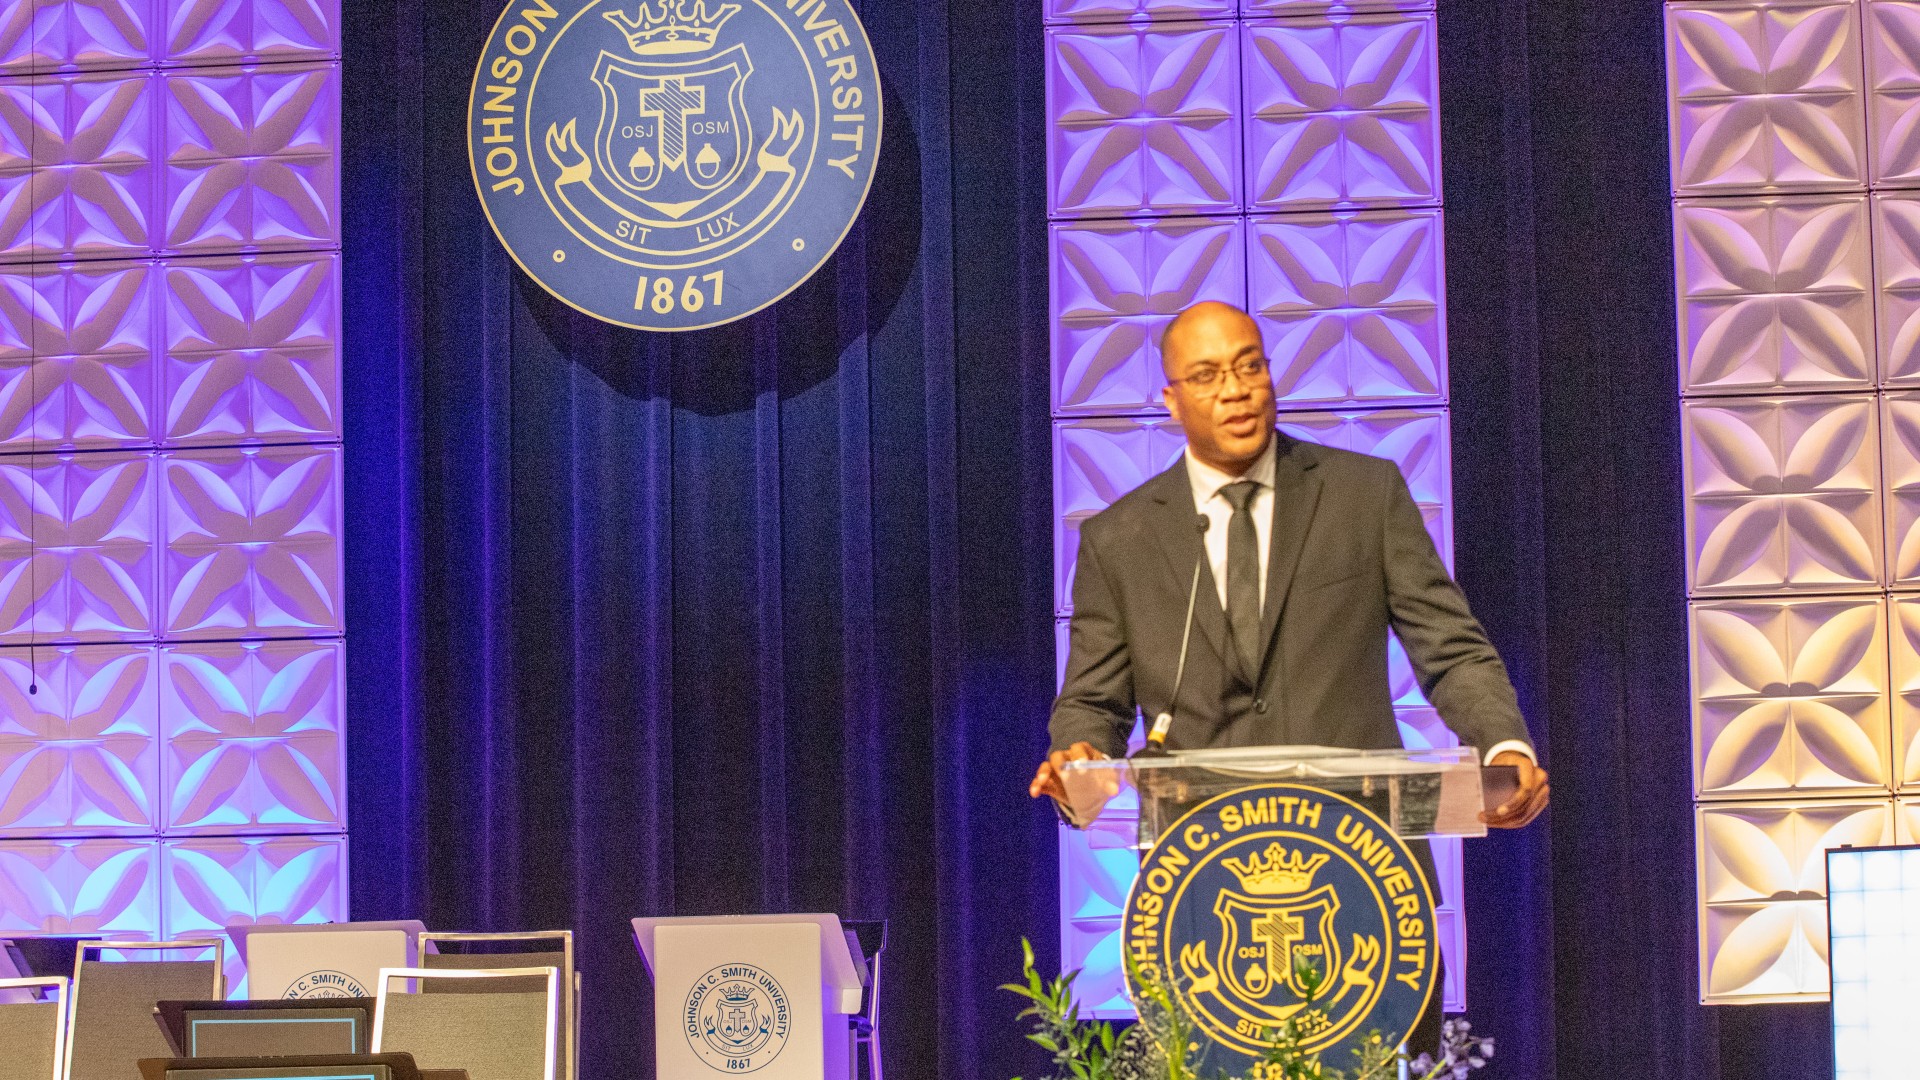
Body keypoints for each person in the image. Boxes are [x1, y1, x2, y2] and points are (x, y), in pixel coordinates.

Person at [1030, 299, 1549, 822]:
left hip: (1362, 847)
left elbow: (1451, 650)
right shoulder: (1120, 539)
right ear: (1172, 399)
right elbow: (1094, 704)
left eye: (1250, 365)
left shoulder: (1365, 495)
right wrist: (1081, 762)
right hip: (1199, 861)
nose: (1236, 390)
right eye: (1207, 376)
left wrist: (1503, 745)